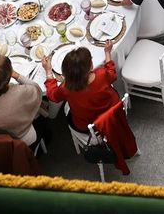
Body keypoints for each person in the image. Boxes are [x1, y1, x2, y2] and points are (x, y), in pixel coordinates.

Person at [44, 43, 135, 174]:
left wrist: (48, 72)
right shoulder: (102, 74)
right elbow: (112, 73)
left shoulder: (66, 88)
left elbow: (52, 96)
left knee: (66, 110)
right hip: (115, 115)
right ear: (90, 66)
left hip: (90, 127)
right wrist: (107, 53)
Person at [0, 55, 48, 149]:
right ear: (7, 79)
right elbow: (36, 89)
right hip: (20, 139)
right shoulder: (20, 93)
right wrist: (16, 75)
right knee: (43, 119)